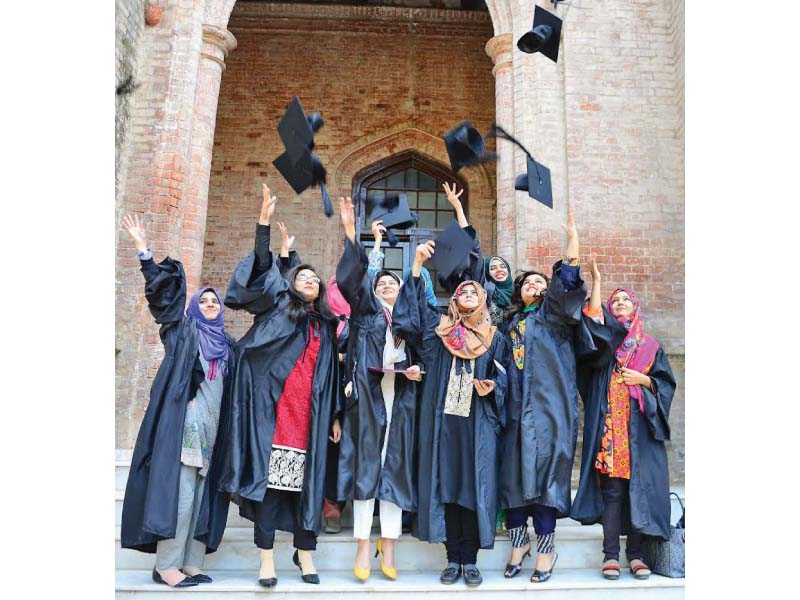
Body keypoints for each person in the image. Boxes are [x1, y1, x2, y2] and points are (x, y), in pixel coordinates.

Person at [218, 184, 342, 588]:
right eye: (301, 277)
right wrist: (264, 226)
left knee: (307, 489)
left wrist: (335, 415)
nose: (308, 280)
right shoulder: (278, 310)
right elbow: (260, 269)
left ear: (320, 289)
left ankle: (305, 554)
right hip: (272, 415)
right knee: (271, 489)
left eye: (313, 278)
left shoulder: (323, 324)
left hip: (310, 417)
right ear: (291, 285)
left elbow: (332, 375)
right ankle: (266, 560)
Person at [119, 214, 236, 588]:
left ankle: (190, 562)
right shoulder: (182, 332)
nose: (209, 304)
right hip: (186, 426)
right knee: (182, 495)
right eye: (203, 301)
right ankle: (165, 565)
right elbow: (165, 299)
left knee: (202, 498)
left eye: (214, 301)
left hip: (214, 430)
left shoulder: (228, 347)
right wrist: (144, 252)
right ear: (194, 309)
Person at [393, 238, 512, 588]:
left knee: (473, 489)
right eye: (463, 293)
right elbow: (410, 317)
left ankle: (470, 561)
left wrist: (494, 387)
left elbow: (507, 380)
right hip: (443, 424)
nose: (469, 296)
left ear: (483, 300)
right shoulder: (438, 333)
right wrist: (416, 266)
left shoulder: (495, 338)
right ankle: (452, 559)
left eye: (475, 292)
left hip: (478, 426)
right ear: (455, 301)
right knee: (446, 489)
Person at [335, 197, 424, 581]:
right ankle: (361, 548)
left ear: (401, 291)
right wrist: (361, 238)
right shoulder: (368, 313)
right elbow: (356, 283)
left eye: (393, 282)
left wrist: (416, 369)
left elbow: (422, 351)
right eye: (382, 282)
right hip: (370, 397)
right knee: (366, 469)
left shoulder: (408, 318)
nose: (386, 285)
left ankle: (388, 546)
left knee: (395, 470)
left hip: (399, 396)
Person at [497, 208, 588, 583]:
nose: (533, 287)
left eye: (540, 283)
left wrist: (572, 247)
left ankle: (546, 548)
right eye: (527, 284)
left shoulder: (554, 316)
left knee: (547, 476)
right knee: (513, 476)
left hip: (550, 408)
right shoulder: (510, 323)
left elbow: (566, 288)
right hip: (515, 409)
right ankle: (519, 542)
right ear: (518, 292)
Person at [572, 259, 676, 581]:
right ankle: (611, 556)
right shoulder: (606, 341)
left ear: (635, 306)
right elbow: (590, 334)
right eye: (614, 300)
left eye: (625, 300)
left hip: (639, 432)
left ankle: (636, 556)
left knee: (639, 491)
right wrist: (597, 281)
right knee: (613, 493)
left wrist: (644, 381)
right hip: (610, 431)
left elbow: (665, 385)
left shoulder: (650, 346)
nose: (619, 304)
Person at [322, 274, 351, 534]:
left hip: (358, 396)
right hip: (329, 394)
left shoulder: (363, 317)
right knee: (332, 450)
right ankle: (331, 508)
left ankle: (346, 502)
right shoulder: (324, 321)